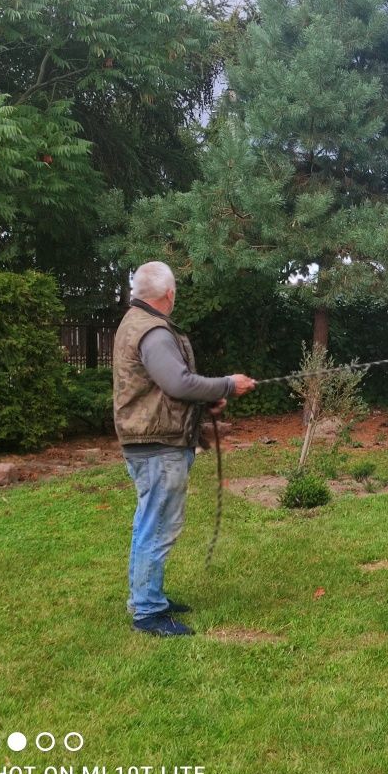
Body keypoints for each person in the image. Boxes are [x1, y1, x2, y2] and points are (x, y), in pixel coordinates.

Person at [113, 261, 256, 637]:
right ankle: (147, 611)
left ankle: (148, 596)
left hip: (149, 440)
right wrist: (227, 384)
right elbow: (177, 382)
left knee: (149, 521)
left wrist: (204, 402)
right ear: (169, 295)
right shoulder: (153, 331)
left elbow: (159, 388)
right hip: (158, 445)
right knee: (158, 525)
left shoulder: (133, 322)